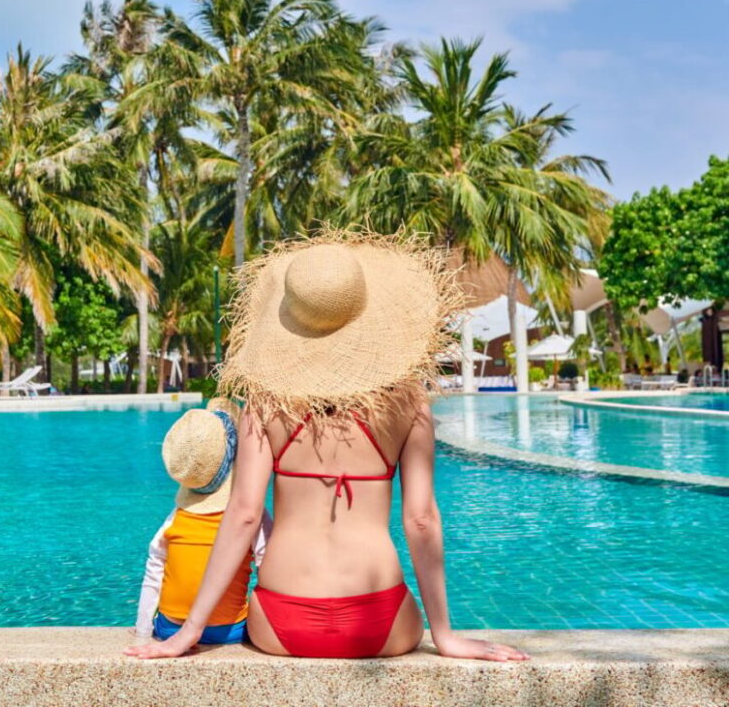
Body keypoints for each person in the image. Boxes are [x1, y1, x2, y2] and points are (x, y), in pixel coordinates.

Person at [125, 231, 528, 662]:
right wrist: (445, 636)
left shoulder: (266, 405)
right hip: (381, 623)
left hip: (281, 624)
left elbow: (242, 515)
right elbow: (422, 519)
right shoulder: (410, 403)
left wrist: (189, 632)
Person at [134, 398, 271, 645]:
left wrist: (143, 632)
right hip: (230, 630)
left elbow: (153, 574)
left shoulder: (175, 519)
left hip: (169, 629)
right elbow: (268, 565)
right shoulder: (250, 517)